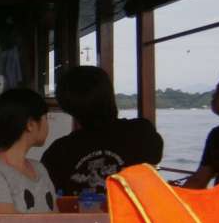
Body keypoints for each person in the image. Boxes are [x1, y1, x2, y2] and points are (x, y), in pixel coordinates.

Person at [41, 66, 163, 196]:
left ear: (66, 106)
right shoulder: (141, 132)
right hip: (134, 215)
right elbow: (154, 158)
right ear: (110, 95)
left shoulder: (58, 153)